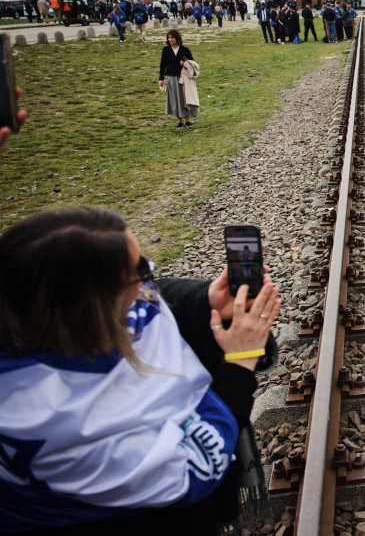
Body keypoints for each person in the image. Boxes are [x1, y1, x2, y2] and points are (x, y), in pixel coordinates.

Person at [0, 207, 280, 531]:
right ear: (91, 306)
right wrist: (241, 360)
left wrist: (205, 300)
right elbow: (194, 465)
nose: (149, 279)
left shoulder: (49, 318)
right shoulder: (62, 428)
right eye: (140, 272)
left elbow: (155, 298)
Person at [158, 29, 199, 128]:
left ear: (177, 38)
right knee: (174, 99)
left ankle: (187, 120)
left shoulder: (185, 50)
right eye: (169, 37)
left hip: (184, 78)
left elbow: (192, 63)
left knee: (185, 98)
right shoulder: (166, 50)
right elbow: (162, 65)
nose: (170, 39)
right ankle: (180, 121)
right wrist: (161, 79)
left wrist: (184, 63)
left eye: (172, 37)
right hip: (171, 78)